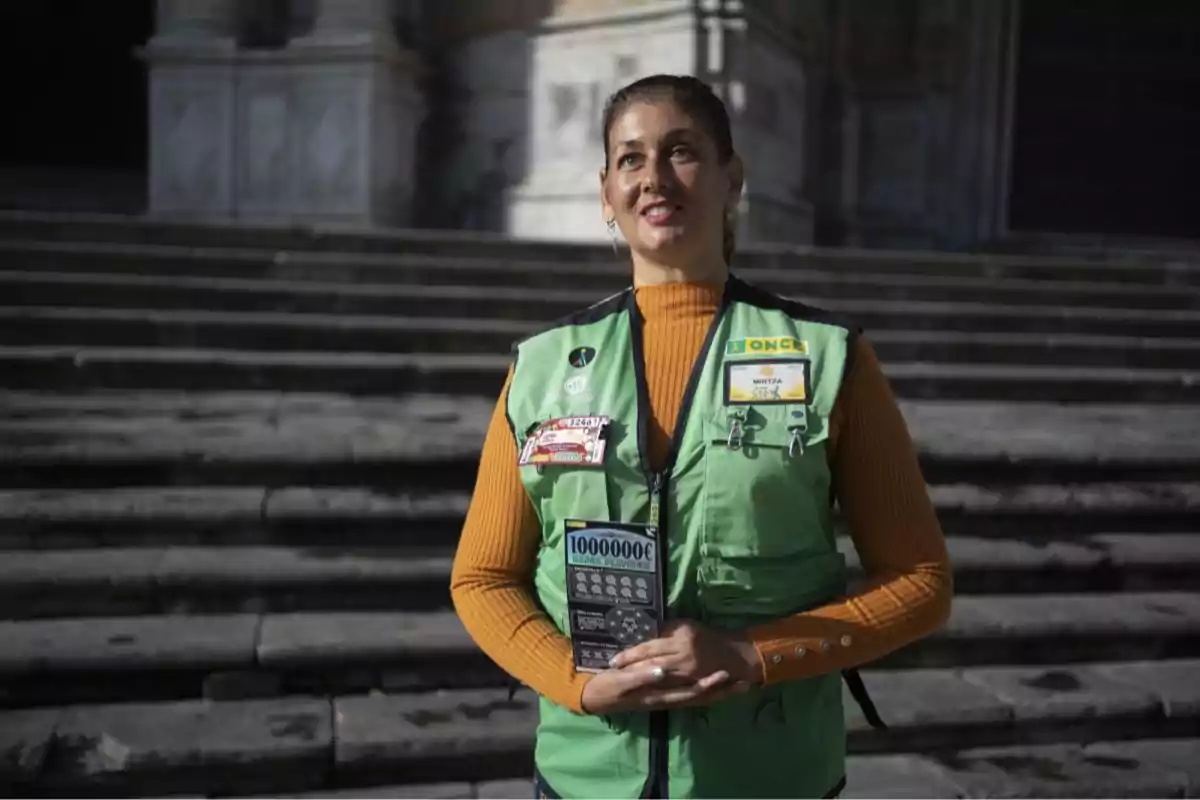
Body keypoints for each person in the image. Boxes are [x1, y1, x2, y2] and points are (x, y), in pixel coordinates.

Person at [451, 74, 953, 799]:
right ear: (605, 193)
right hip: (585, 777)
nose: (654, 178)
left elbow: (921, 582)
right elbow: (483, 578)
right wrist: (575, 682)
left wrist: (754, 655)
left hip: (769, 776)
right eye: (630, 159)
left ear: (732, 179)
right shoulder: (542, 368)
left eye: (680, 151)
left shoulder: (826, 355)